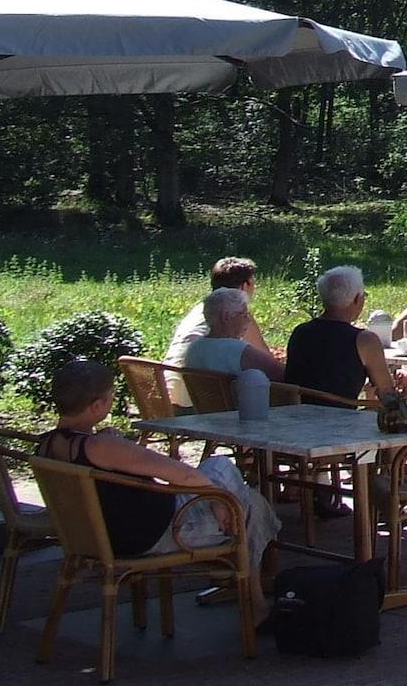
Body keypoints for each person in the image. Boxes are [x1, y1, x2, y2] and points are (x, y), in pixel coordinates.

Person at [39, 359, 279, 620]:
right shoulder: (101, 447)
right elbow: (183, 474)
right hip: (160, 533)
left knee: (242, 496)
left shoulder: (48, 446)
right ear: (97, 405)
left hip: (99, 537)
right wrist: (219, 499)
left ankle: (241, 583)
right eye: (110, 397)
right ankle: (253, 596)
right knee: (240, 490)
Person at [284, 266, 407, 406]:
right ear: (357, 299)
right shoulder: (365, 341)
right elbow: (387, 393)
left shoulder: (300, 332)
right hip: (341, 416)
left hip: (298, 414)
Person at [167, 257, 262, 409]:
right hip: (198, 406)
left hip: (169, 398)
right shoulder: (236, 315)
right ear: (245, 286)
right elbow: (263, 358)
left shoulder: (202, 310)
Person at [178, 288, 283, 381]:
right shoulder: (239, 351)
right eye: (244, 314)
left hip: (204, 398)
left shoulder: (194, 348)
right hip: (235, 398)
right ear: (226, 317)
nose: (248, 320)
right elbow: (282, 374)